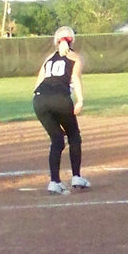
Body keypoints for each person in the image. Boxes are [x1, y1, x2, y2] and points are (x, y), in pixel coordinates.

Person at [33, 26, 90, 195]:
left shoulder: (49, 58)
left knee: (57, 139)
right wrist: (80, 100)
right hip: (60, 99)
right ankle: (76, 176)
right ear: (72, 41)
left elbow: (38, 83)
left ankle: (54, 182)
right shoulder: (75, 57)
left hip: (39, 99)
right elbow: (75, 78)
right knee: (74, 136)